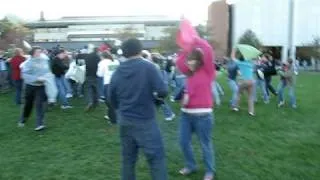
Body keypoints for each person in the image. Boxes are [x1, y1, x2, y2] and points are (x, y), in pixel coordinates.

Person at [109, 39, 168, 180]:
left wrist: (120, 109)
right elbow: (162, 90)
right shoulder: (148, 67)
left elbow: (111, 97)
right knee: (156, 159)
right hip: (145, 120)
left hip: (125, 120)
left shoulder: (118, 71)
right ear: (140, 50)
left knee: (128, 160)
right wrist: (156, 102)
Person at [176, 37, 216, 180]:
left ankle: (210, 171)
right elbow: (179, 61)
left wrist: (195, 39)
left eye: (192, 60)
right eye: (189, 61)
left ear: (199, 61)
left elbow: (209, 49)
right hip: (186, 115)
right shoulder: (189, 72)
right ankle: (191, 165)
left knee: (205, 144)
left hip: (203, 116)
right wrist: (186, 48)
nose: (189, 63)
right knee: (183, 141)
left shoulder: (208, 72)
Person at [19, 47, 51, 131]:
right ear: (32, 53)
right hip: (30, 86)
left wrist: (48, 76)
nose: (39, 53)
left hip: (41, 86)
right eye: (37, 52)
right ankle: (23, 119)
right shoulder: (28, 62)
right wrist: (37, 78)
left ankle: (39, 124)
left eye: (40, 52)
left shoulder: (44, 60)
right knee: (28, 104)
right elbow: (24, 75)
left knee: (39, 104)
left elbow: (46, 70)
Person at [96, 51, 120, 124]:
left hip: (108, 84)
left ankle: (113, 119)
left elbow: (99, 74)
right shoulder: (115, 61)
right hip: (117, 83)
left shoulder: (102, 63)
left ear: (102, 56)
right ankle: (112, 115)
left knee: (109, 102)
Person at [233, 49, 255, 116]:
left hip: (244, 81)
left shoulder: (240, 63)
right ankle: (251, 111)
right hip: (251, 81)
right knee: (250, 97)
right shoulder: (250, 63)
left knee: (238, 93)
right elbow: (252, 59)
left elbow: (232, 58)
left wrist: (233, 50)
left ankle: (236, 107)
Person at [84, 47, 101, 111]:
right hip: (95, 75)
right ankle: (96, 102)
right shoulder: (98, 57)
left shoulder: (88, 56)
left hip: (88, 74)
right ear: (97, 51)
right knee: (95, 89)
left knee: (88, 89)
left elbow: (85, 64)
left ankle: (89, 102)